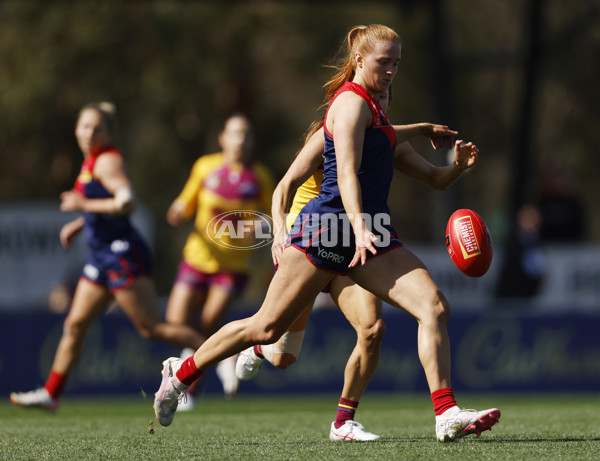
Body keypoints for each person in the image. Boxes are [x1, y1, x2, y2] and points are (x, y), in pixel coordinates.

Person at [153, 24, 501, 443]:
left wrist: (459, 167)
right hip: (327, 230)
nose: (391, 71)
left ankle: (444, 413)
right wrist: (323, 226)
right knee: (265, 329)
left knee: (431, 307)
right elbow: (346, 176)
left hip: (369, 232)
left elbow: (433, 178)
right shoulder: (350, 106)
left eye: (396, 63)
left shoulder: (380, 121)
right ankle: (179, 375)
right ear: (359, 60)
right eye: (383, 62)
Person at [236, 88, 470, 442]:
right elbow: (285, 185)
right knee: (282, 355)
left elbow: (436, 179)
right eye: (381, 90)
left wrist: (458, 167)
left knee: (373, 330)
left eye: (391, 92)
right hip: (312, 244)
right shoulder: (331, 133)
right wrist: (281, 229)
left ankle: (343, 421)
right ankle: (255, 345)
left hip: (355, 246)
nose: (385, 98)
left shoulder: (386, 142)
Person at [10, 102, 206, 411]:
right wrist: (79, 224)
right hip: (101, 258)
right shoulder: (89, 163)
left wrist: (82, 207)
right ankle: (52, 394)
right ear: (76, 130)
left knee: (151, 328)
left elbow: (126, 202)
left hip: (122, 255)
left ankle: (219, 352)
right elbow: (103, 206)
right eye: (84, 126)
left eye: (97, 128)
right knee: (75, 324)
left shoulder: (108, 161)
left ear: (109, 133)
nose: (89, 133)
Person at [164, 113, 274, 405]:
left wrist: (258, 226)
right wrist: (177, 210)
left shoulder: (259, 177)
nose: (240, 140)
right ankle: (225, 360)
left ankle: (189, 394)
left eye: (246, 134)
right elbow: (186, 201)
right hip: (197, 258)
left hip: (233, 266)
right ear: (222, 138)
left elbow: (275, 218)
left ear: (251, 141)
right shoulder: (205, 167)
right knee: (175, 324)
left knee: (207, 325)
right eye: (235, 133)